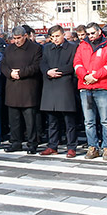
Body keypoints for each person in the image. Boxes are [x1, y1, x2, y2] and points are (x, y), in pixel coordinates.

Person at [74, 23, 107, 160]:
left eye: (92, 33)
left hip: (102, 86)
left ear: (99, 32)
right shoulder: (82, 45)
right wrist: (85, 76)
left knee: (106, 120)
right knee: (89, 121)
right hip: (85, 86)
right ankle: (92, 147)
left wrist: (95, 77)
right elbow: (77, 63)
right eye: (88, 33)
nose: (90, 36)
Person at [2, 25, 43, 154]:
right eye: (14, 38)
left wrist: (21, 73)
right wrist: (10, 73)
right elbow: (3, 65)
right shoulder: (9, 49)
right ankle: (15, 142)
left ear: (25, 36)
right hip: (12, 87)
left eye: (19, 38)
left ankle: (32, 143)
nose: (17, 41)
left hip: (28, 89)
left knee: (30, 120)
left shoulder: (35, 48)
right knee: (14, 119)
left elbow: (36, 66)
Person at [39, 25, 79, 158]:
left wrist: (59, 72)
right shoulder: (47, 48)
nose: (55, 39)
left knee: (69, 120)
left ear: (63, 35)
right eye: (52, 37)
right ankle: (52, 145)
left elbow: (73, 64)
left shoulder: (72, 47)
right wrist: (47, 71)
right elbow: (42, 63)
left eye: (57, 36)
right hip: (50, 86)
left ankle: (71, 147)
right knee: (52, 120)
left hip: (65, 85)